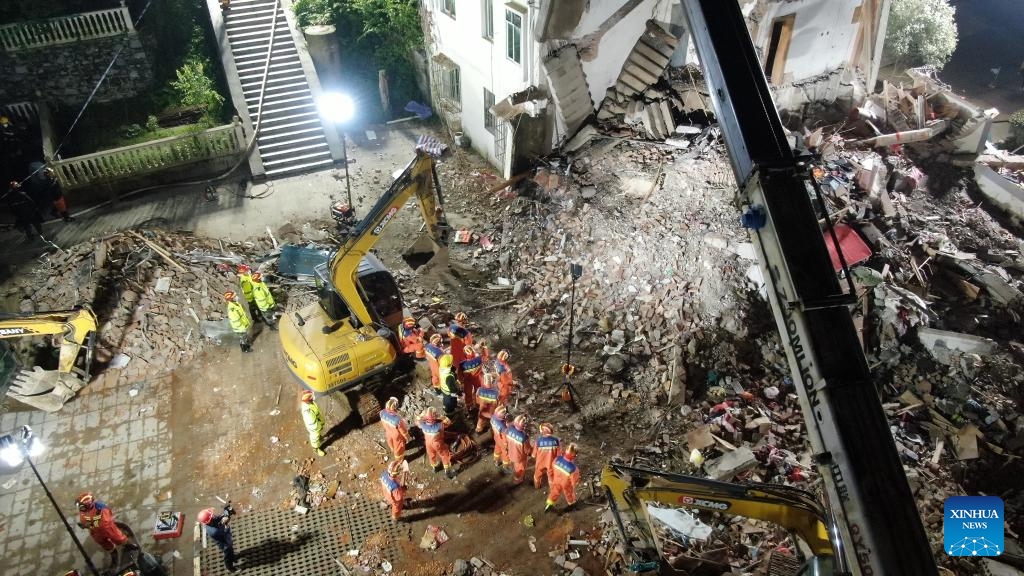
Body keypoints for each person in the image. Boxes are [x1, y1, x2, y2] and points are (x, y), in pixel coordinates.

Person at [76, 492, 137, 566]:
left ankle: (128, 545)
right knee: (104, 543)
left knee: (118, 538)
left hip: (107, 528)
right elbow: (85, 521)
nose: (81, 507)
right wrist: (85, 525)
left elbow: (105, 522)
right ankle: (113, 553)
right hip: (95, 532)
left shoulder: (100, 508)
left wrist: (90, 524)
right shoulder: (83, 512)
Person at [417, 407, 455, 478]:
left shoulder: (422, 425)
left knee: (431, 455)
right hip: (438, 443)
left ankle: (435, 468)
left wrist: (422, 415)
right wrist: (441, 416)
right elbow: (448, 422)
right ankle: (448, 471)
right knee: (444, 454)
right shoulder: (439, 425)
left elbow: (417, 421)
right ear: (435, 417)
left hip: (428, 444)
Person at [198, 505, 238, 573]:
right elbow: (225, 532)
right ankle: (230, 568)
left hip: (225, 536)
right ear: (209, 520)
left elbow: (217, 518)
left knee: (231, 549)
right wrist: (226, 524)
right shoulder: (213, 531)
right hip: (223, 542)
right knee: (228, 553)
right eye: (211, 516)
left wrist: (226, 513)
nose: (213, 515)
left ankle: (233, 557)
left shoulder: (210, 521)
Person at [545, 443, 581, 513]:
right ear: (574, 455)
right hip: (566, 484)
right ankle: (572, 504)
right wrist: (576, 483)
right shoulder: (574, 468)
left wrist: (551, 478)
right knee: (569, 493)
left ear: (566, 450)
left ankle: (549, 503)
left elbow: (551, 469)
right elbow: (574, 481)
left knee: (554, 491)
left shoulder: (557, 459)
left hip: (556, 480)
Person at [379, 396, 412, 462]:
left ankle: (392, 449)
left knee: (391, 443)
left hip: (388, 432)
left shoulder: (382, 412)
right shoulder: (397, 420)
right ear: (395, 407)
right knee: (398, 448)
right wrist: (408, 438)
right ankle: (399, 460)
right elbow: (404, 432)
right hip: (397, 436)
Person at [505, 414, 532, 486]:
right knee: (520, 469)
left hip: (511, 454)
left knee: (515, 466)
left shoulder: (509, 430)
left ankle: (517, 475)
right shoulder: (524, 437)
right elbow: (527, 450)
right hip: (520, 458)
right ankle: (518, 479)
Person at [533, 423, 561, 490]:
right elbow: (559, 454)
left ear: (542, 431)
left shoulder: (538, 441)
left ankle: (537, 486)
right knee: (551, 475)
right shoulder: (556, 440)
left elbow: (534, 454)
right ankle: (552, 488)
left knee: (537, 474)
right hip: (551, 463)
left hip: (540, 462)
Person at [300, 390, 326, 456]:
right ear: (307, 400)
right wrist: (319, 426)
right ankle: (316, 449)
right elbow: (313, 424)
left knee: (318, 435)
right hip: (315, 428)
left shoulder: (310, 403)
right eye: (311, 397)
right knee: (315, 438)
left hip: (318, 421)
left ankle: (319, 437)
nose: (313, 397)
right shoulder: (307, 412)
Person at [458, 345, 483, 412]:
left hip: (467, 380)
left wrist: (461, 382)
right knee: (478, 392)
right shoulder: (479, 358)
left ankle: (469, 407)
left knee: (468, 393)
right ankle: (478, 404)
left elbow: (460, 375)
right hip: (477, 378)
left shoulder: (462, 364)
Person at [437, 354, 461, 418]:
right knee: (450, 402)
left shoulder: (441, 368)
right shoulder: (449, 377)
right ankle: (450, 414)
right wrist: (458, 393)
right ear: (449, 365)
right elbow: (453, 389)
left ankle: (452, 406)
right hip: (449, 392)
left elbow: (451, 368)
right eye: (451, 362)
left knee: (448, 400)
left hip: (444, 390)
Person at [490, 405, 511, 473]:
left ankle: (496, 461)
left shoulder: (493, 417)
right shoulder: (503, 426)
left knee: (497, 449)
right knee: (505, 454)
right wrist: (506, 446)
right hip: (503, 442)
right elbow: (505, 436)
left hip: (496, 438)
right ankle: (505, 467)